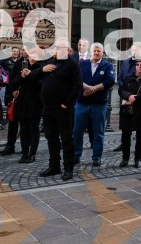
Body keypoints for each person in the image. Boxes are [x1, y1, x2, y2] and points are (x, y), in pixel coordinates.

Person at [31, 40, 82, 180]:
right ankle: (54, 166)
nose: (56, 50)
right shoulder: (49, 62)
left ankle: (68, 168)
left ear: (67, 50)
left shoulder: (73, 64)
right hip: (48, 108)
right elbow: (32, 76)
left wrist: (67, 103)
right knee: (51, 138)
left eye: (60, 48)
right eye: (55, 48)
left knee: (66, 139)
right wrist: (42, 69)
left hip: (63, 109)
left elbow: (77, 86)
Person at [73, 43, 116, 167]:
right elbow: (76, 79)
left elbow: (110, 80)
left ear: (102, 53)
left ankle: (97, 157)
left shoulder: (107, 65)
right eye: (94, 51)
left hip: (99, 104)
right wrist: (87, 87)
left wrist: (95, 89)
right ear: (90, 52)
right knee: (77, 132)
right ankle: (76, 155)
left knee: (98, 132)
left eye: (99, 51)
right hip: (82, 103)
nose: (96, 53)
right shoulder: (82, 64)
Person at [118, 58, 141, 168]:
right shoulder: (129, 77)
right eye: (137, 65)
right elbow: (120, 90)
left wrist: (135, 98)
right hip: (128, 109)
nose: (139, 67)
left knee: (140, 136)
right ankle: (125, 158)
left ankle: (137, 159)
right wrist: (128, 96)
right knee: (126, 135)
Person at [12, 48, 43, 163]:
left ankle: (32, 153)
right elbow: (15, 83)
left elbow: (41, 84)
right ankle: (24, 153)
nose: (32, 57)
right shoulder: (23, 66)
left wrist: (31, 75)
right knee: (24, 129)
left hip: (36, 101)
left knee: (34, 128)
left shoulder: (42, 67)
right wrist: (21, 77)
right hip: (23, 100)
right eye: (31, 55)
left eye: (35, 55)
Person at [0, 47, 28, 156]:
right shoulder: (19, 62)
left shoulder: (35, 62)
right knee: (12, 121)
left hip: (26, 97)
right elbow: (11, 78)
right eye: (22, 49)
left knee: (25, 123)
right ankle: (10, 145)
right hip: (14, 95)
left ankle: (27, 147)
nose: (23, 51)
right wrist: (13, 91)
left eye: (25, 49)